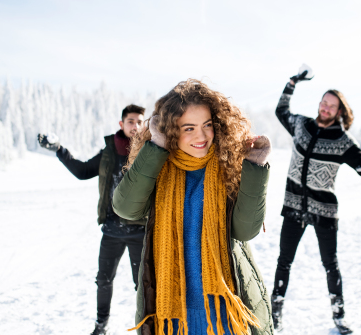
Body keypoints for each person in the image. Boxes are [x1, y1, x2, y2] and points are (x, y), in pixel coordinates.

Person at [112, 79, 274, 335]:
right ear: (171, 130)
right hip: (173, 314)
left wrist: (254, 166)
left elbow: (245, 230)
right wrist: (155, 148)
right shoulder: (158, 167)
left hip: (226, 311)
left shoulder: (228, 163)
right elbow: (125, 207)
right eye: (188, 128)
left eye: (207, 125)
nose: (201, 136)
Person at [271, 66, 361, 334]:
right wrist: (292, 83)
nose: (326, 108)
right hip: (294, 206)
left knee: (330, 264)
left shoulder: (343, 140)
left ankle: (339, 316)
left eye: (332, 105)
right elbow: (281, 112)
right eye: (324, 102)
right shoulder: (301, 125)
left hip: (325, 211)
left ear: (340, 111)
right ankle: (275, 313)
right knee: (284, 260)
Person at [37, 104, 146, 335]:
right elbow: (83, 171)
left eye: (139, 122)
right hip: (112, 230)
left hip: (140, 231)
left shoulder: (149, 152)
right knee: (104, 280)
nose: (135, 126)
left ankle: (148, 326)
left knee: (143, 285)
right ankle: (101, 325)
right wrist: (59, 149)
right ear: (121, 124)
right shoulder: (109, 152)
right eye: (130, 121)